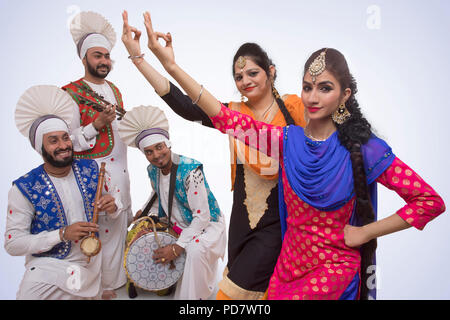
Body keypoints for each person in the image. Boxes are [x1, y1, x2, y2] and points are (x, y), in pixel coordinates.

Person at [136, 12, 446, 300]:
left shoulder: (363, 148)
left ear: (344, 95)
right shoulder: (287, 140)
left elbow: (429, 202)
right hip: (286, 266)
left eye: (325, 88)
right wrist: (171, 66)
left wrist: (365, 231)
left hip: (332, 271)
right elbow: (223, 118)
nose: (313, 97)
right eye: (308, 87)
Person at [121, 10, 306, 300]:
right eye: (238, 76)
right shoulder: (233, 113)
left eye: (252, 72)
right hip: (242, 221)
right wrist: (144, 59)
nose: (245, 80)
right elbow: (184, 105)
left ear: (270, 71)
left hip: (282, 216)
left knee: (232, 295)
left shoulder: (294, 108)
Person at [5, 85, 122, 300]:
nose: (63, 145)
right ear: (40, 148)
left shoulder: (92, 168)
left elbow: (116, 198)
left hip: (91, 264)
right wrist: (61, 234)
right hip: (48, 267)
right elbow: (13, 243)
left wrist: (113, 204)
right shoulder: (24, 188)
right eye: (53, 141)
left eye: (65, 138)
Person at [118, 105, 227, 300]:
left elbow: (202, 217)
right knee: (141, 232)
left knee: (193, 249)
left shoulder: (191, 172)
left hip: (207, 225)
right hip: (177, 221)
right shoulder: (152, 170)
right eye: (149, 152)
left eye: (159, 147)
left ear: (168, 144)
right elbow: (158, 194)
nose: (156, 155)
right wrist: (142, 212)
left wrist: (178, 247)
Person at [62, 11, 132, 299]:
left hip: (122, 177)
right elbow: (65, 144)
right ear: (84, 59)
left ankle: (114, 291)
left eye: (106, 56)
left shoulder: (114, 90)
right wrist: (95, 126)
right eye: (97, 56)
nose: (103, 61)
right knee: (94, 241)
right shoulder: (70, 93)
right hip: (93, 179)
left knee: (118, 240)